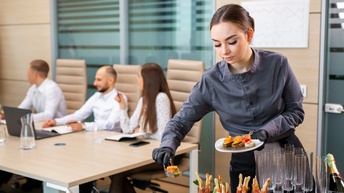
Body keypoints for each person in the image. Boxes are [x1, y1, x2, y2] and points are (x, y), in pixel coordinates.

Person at [152, 4, 305, 193]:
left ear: (249, 35)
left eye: (231, 42)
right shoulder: (211, 81)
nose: (224, 51)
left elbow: (295, 111)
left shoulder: (277, 63)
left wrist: (266, 132)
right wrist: (167, 145)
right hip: (244, 163)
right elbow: (182, 120)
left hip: (286, 155)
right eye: (217, 44)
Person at [42, 65, 127, 193]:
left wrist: (84, 126)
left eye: (98, 80)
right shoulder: (96, 96)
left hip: (110, 146)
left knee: (79, 159)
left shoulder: (120, 98)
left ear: (110, 80)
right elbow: (78, 115)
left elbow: (110, 124)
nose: (94, 83)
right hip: (93, 141)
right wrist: (55, 121)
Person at [108, 63, 177, 193]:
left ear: (148, 79)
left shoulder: (161, 98)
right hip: (145, 152)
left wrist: (141, 132)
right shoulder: (144, 99)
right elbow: (127, 129)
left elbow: (164, 135)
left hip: (161, 155)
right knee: (114, 171)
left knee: (117, 173)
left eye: (139, 76)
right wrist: (122, 107)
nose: (136, 79)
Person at [0, 59, 67, 192]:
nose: (26, 75)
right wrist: (7, 115)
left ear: (35, 74)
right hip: (38, 127)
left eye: (28, 72)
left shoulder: (51, 88)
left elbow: (49, 115)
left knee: (20, 147)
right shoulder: (33, 89)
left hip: (55, 131)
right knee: (12, 147)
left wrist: (24, 118)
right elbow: (22, 108)